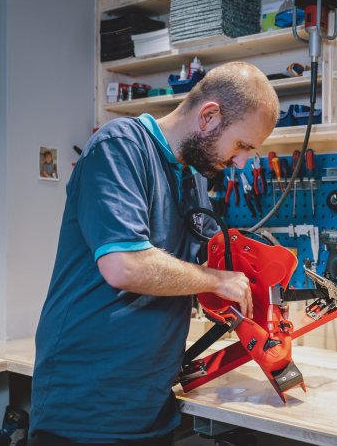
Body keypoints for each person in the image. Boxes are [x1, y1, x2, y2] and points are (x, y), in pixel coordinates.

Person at [31, 62, 280, 446]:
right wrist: (217, 280)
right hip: (86, 411)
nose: (242, 161)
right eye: (243, 145)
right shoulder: (120, 147)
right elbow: (125, 266)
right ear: (209, 116)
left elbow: (182, 271)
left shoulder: (192, 176)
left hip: (151, 406)